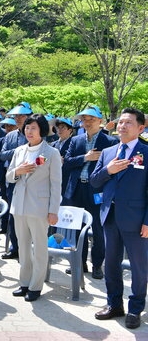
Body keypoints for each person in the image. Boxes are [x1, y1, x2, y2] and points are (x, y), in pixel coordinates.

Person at [90, 108, 148, 329]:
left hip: (136, 219)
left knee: (139, 266)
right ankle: (114, 304)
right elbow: (95, 181)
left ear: (140, 128)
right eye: (120, 122)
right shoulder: (108, 152)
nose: (122, 126)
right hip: (110, 217)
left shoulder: (146, 152)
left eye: (128, 123)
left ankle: (135, 308)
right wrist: (109, 169)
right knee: (111, 264)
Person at [6, 114, 61, 302]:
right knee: (22, 247)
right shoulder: (19, 151)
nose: (29, 131)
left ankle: (36, 286)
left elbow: (56, 184)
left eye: (34, 128)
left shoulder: (51, 153)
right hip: (19, 205)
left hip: (39, 207)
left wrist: (53, 210)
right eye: (27, 128)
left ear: (42, 131)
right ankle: (24, 282)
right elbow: (8, 176)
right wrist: (17, 171)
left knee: (39, 248)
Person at [63, 106, 117, 279]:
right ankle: (79, 263)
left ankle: (97, 265)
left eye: (91, 119)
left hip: (97, 191)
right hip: (77, 188)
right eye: (84, 119)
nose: (87, 122)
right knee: (77, 228)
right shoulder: (75, 140)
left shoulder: (110, 142)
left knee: (98, 230)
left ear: (100, 121)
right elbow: (68, 162)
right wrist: (86, 157)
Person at [0, 102, 34, 260]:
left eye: (22, 116)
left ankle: (29, 249)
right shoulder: (10, 135)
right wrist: (20, 150)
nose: (18, 119)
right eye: (16, 116)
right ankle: (15, 248)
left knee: (31, 217)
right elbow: (2, 155)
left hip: (32, 182)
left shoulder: (37, 135)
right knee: (14, 216)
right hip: (13, 180)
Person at [51, 117, 75, 196]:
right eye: (58, 127)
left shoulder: (74, 143)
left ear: (70, 130)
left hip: (67, 181)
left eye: (63, 127)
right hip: (53, 180)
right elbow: (41, 161)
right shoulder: (53, 145)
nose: (59, 130)